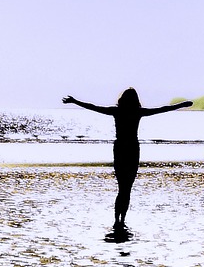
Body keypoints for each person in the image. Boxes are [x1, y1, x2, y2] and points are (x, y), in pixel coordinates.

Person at [62, 88, 193, 226]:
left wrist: (74, 101)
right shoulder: (137, 112)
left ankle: (117, 220)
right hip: (132, 149)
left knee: (122, 187)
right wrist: (181, 105)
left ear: (122, 99)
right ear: (136, 100)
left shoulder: (117, 111)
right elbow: (163, 109)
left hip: (120, 149)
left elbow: (93, 107)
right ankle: (122, 219)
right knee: (127, 188)